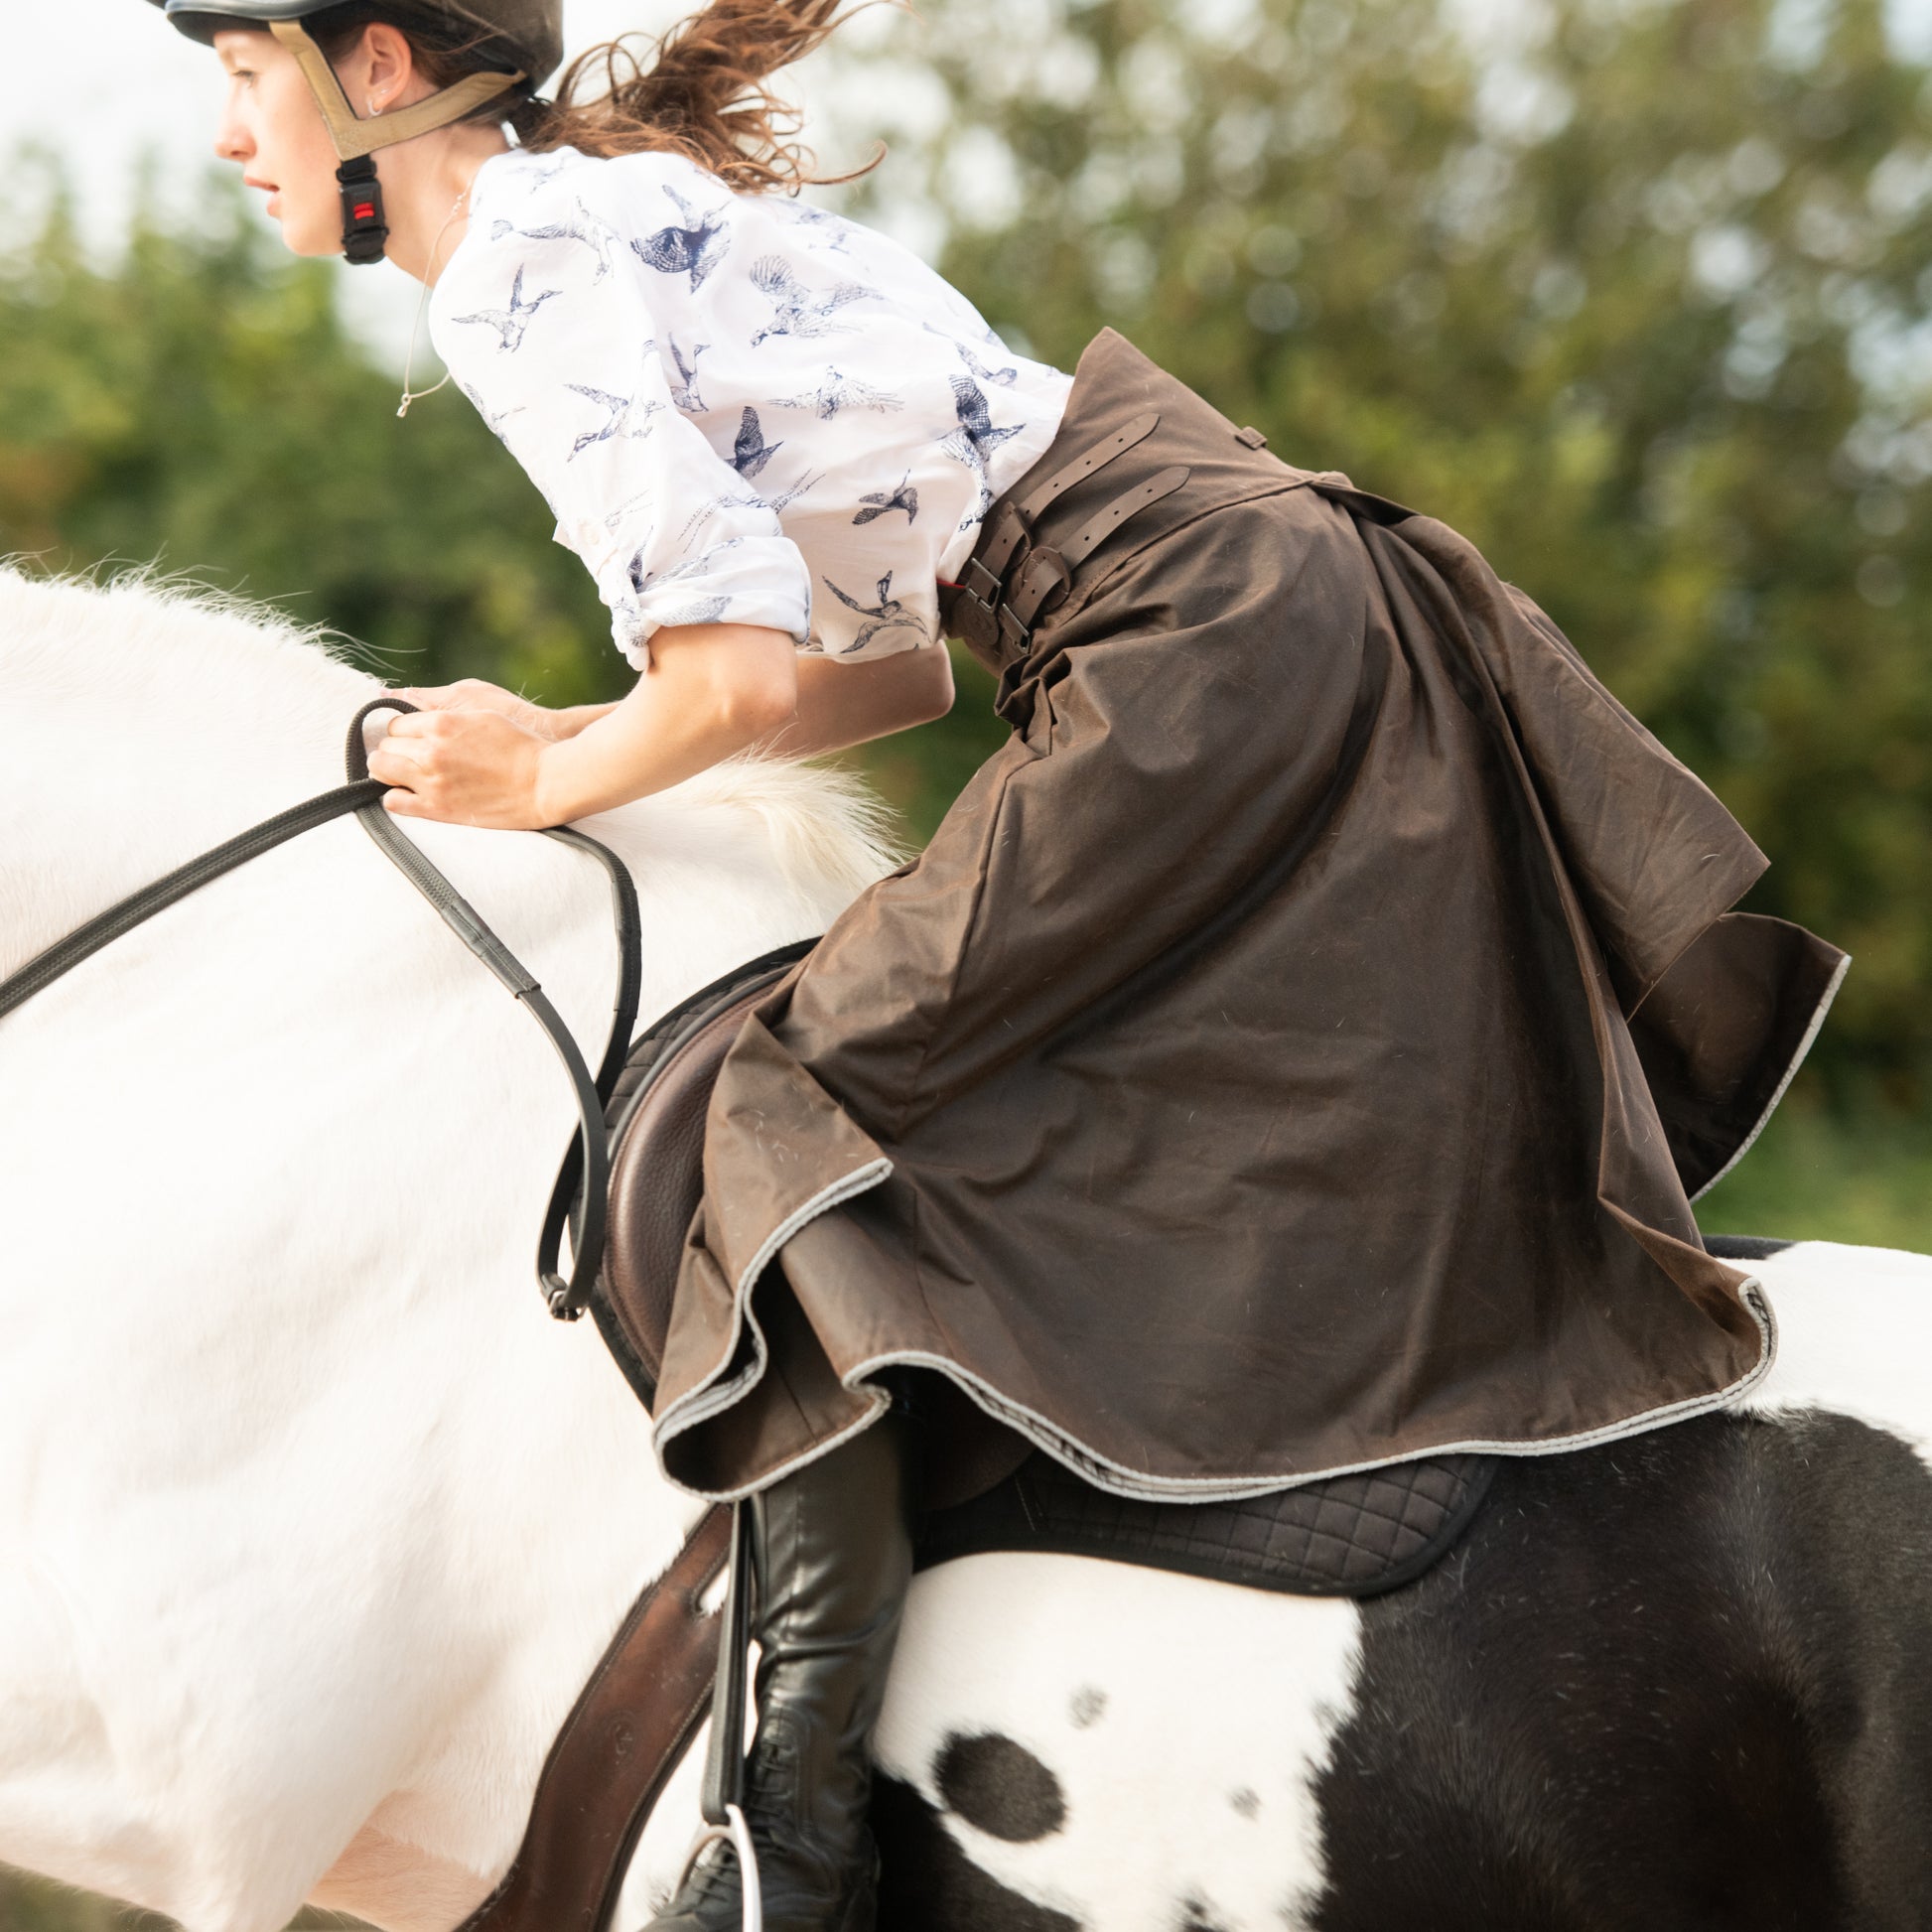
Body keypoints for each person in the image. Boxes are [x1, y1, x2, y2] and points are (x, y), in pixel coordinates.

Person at [148, 2, 1849, 1926]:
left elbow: (729, 681)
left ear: (376, 67)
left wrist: (540, 779)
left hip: (1181, 632)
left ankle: (785, 1834)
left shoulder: (516, 267)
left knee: (785, 1103)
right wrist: (567, 733)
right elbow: (880, 675)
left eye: (243, 73)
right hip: (1248, 590)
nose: (227, 135)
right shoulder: (593, 209)